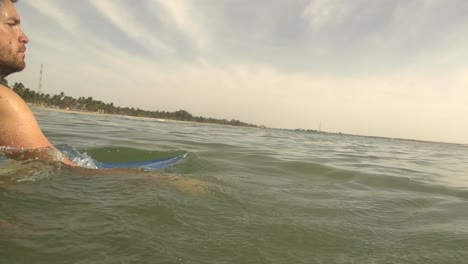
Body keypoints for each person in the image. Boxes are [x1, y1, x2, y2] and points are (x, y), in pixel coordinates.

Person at [0, 0, 74, 165]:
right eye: (12, 24)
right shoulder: (3, 102)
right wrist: (143, 179)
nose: (24, 37)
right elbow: (66, 172)